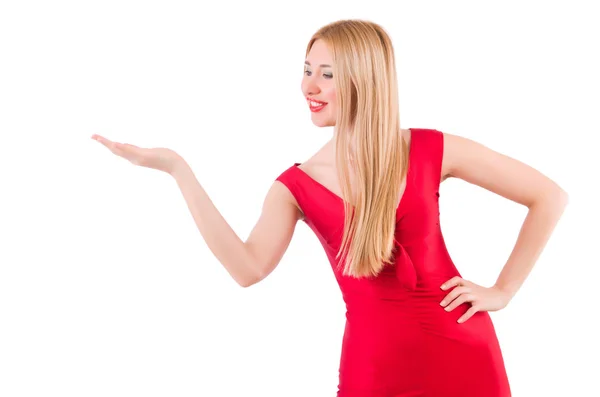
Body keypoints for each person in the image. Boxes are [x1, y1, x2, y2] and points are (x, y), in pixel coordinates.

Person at [91, 19, 568, 397]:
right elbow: (247, 268)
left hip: (464, 355)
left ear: (364, 78)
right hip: (373, 370)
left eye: (326, 74)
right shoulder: (295, 186)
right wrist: (178, 170)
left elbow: (548, 196)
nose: (308, 87)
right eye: (306, 70)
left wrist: (504, 290)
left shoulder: (431, 149)